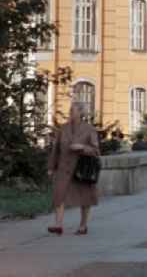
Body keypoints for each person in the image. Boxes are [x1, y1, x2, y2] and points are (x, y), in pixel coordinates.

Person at [47, 101, 100, 236]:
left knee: (85, 197)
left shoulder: (89, 129)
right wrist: (51, 167)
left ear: (81, 113)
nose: (70, 112)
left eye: (74, 110)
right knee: (59, 194)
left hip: (82, 168)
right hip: (64, 167)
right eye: (70, 110)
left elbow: (96, 150)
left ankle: (83, 225)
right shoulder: (63, 129)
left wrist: (82, 147)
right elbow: (55, 149)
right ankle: (58, 225)